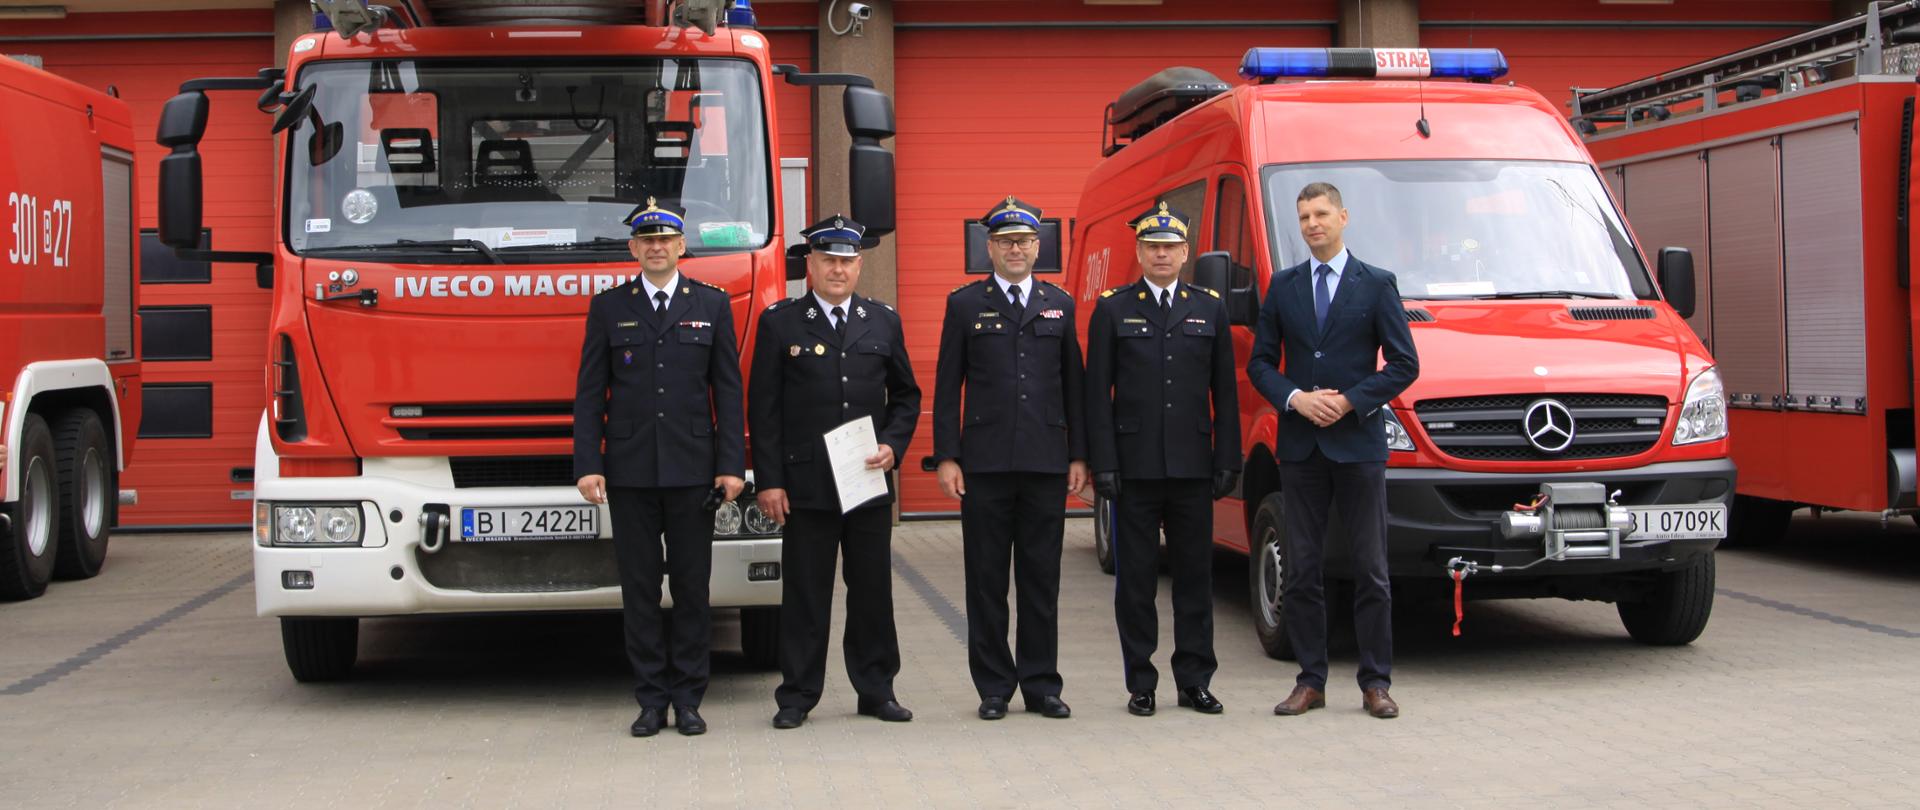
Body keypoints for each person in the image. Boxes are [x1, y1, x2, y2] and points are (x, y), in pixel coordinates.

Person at [572, 197, 745, 738]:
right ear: (633, 249)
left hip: (694, 473)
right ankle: (650, 699)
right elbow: (588, 394)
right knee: (640, 591)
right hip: (629, 474)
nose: (655, 248)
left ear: (680, 246)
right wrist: (588, 464)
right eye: (646, 240)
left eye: (665, 240)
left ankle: (689, 698)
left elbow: (728, 392)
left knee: (693, 590)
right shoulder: (608, 307)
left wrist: (732, 465)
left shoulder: (712, 304)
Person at [1247, 182, 1419, 720]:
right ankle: (1310, 680)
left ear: (1343, 216)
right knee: (1302, 570)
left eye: (1321, 213)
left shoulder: (1376, 284)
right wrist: (1295, 398)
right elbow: (1260, 364)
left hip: (1358, 446)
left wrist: (1349, 401)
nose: (1312, 224)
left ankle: (1375, 682)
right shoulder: (1285, 286)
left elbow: (1403, 364)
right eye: (1303, 217)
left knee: (1370, 568)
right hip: (1302, 449)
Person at [749, 214, 921, 730]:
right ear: (811, 264)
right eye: (828, 260)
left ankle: (876, 690)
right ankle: (797, 696)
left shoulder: (883, 320)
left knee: (872, 592)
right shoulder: (781, 321)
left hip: (867, 480)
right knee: (806, 593)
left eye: (847, 261)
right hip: (806, 485)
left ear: (859, 264)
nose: (838, 270)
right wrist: (771, 480)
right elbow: (764, 409)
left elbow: (907, 396)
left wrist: (893, 445)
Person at [931, 196, 1085, 721]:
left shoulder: (1059, 303)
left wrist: (1079, 455)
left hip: (1045, 462)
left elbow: (1074, 388)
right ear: (989, 248)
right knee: (987, 580)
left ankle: (1042, 685)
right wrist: (946, 456)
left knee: (1042, 580)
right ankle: (994, 686)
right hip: (985, 465)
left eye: (1023, 240)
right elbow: (947, 384)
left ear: (1038, 246)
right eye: (1004, 241)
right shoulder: (965, 305)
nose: (1015, 248)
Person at [1084, 200, 1240, 717]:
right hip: (1135, 470)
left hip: (1194, 468)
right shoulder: (1112, 308)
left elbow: (1225, 390)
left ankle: (1195, 679)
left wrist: (1227, 457)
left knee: (1196, 579)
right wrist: (1102, 461)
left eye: (1170, 247)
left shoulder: (1209, 306)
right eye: (1153, 247)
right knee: (1137, 583)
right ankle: (1141, 681)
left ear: (1185, 252)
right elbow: (1096, 393)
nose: (1161, 255)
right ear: (1139, 251)